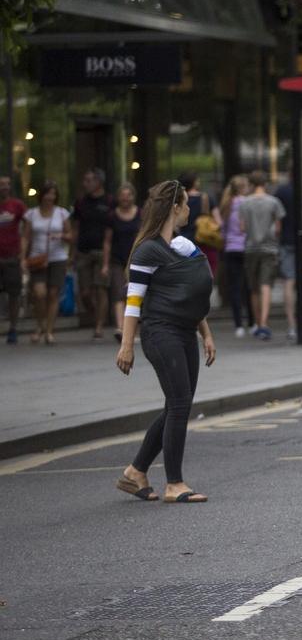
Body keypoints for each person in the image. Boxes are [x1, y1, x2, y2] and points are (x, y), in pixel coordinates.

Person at [115, 180, 217, 504]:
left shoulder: (182, 246)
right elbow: (134, 301)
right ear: (175, 208)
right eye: (186, 204)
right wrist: (126, 344)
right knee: (180, 404)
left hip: (186, 331)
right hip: (161, 333)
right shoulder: (147, 250)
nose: (189, 209)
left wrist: (206, 333)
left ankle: (135, 472)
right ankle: (175, 483)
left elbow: (189, 295)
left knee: (176, 405)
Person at [22, 181, 72, 345]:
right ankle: (40, 325)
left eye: (53, 194)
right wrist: (22, 257)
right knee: (39, 293)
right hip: (38, 258)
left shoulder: (62, 213)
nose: (50, 197)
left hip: (57, 257)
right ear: (41, 195)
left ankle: (49, 331)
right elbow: (26, 237)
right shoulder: (32, 214)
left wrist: (61, 237)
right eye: (47, 193)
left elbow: (70, 236)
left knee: (53, 294)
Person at [238, 171, 285, 339]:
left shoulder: (244, 203)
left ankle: (257, 323)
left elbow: (242, 228)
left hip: (251, 248)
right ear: (265, 184)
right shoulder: (274, 202)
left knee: (254, 288)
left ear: (251, 184)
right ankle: (265, 323)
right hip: (269, 248)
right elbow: (278, 228)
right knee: (266, 285)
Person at [73, 168, 114, 340]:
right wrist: (72, 252)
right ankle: (95, 313)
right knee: (85, 292)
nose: (86, 184)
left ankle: (98, 326)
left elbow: (112, 228)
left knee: (101, 288)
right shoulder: (81, 203)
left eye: (89, 180)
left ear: (98, 182)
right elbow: (75, 227)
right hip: (84, 250)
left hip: (102, 250)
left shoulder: (110, 201)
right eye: (85, 180)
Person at [217, 175, 250, 337]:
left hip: (231, 248)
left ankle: (238, 325)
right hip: (246, 247)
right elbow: (246, 227)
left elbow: (222, 229)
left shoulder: (226, 204)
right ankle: (252, 321)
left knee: (235, 287)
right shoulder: (246, 203)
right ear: (244, 187)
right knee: (249, 285)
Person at [108, 183, 143, 334]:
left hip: (136, 258)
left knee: (134, 293)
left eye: (128, 195)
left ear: (133, 197)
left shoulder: (140, 214)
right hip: (117, 258)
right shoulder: (112, 216)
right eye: (122, 195)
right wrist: (105, 263)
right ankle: (120, 328)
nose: (125, 198)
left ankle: (132, 329)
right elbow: (107, 241)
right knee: (119, 292)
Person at [0, 176, 25, 344]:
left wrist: (22, 254)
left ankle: (13, 328)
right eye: (2, 185)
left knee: (13, 294)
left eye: (7, 185)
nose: (4, 188)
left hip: (12, 257)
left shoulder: (17, 205)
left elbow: (27, 227)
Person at [272, 175, 298, 340]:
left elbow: (276, 220)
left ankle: (292, 324)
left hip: (287, 240)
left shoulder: (282, 191)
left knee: (289, 281)